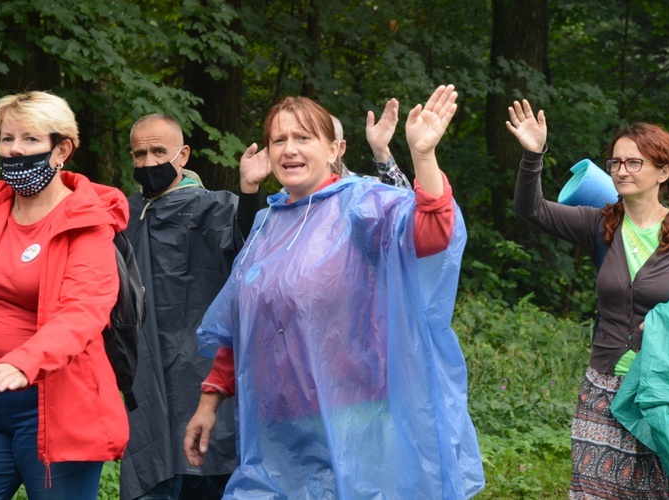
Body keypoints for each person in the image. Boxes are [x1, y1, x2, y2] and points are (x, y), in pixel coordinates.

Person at [184, 85, 485, 499]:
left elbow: (433, 233)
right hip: (274, 427)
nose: (289, 149)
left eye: (303, 138)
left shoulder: (362, 206)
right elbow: (246, 323)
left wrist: (424, 156)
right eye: (279, 140)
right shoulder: (266, 224)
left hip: (352, 423)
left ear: (334, 149)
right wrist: (209, 401)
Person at [507, 99, 669, 498]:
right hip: (604, 387)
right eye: (615, 162)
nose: (621, 170)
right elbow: (530, 209)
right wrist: (533, 155)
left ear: (663, 171)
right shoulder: (599, 224)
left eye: (634, 162)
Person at [0, 90, 129, 498]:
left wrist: (25, 362)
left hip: (53, 407)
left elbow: (84, 310)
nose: (15, 150)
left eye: (30, 139)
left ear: (62, 149)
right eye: (7, 138)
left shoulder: (87, 222)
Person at [120, 114, 265, 500]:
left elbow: (256, 247)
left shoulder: (216, 209)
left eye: (158, 151)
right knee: (149, 474)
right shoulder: (124, 215)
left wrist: (250, 191)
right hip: (145, 377)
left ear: (182, 154)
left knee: (205, 470)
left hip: (202, 375)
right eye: (140, 154)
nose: (149, 162)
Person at [334, 98, 411, 189]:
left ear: (340, 148)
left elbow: (403, 198)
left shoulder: (364, 189)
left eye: (314, 138)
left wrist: (381, 150)